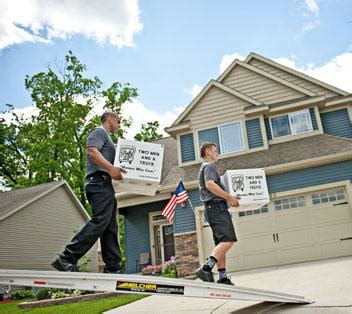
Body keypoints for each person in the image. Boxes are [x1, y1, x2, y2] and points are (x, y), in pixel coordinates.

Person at [51, 112, 126, 273]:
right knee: (101, 221)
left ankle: (113, 267)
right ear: (109, 119)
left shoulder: (109, 140)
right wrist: (111, 168)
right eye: (118, 121)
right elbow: (91, 151)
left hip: (105, 185)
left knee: (110, 226)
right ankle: (66, 257)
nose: (119, 125)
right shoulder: (99, 132)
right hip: (97, 182)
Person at [195, 142, 240, 285]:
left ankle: (222, 277)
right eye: (215, 151)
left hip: (213, 208)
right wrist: (229, 197)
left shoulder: (205, 167)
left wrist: (228, 198)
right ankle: (206, 268)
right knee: (228, 240)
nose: (217, 153)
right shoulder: (209, 166)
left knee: (221, 244)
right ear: (207, 152)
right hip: (216, 207)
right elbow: (210, 184)